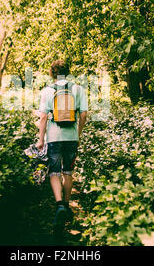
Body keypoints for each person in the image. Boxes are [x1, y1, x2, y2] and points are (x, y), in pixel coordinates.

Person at [35, 59, 88, 227]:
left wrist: (40, 139)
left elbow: (43, 117)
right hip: (71, 137)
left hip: (54, 137)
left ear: (52, 73)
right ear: (68, 71)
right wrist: (77, 134)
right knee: (68, 172)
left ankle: (59, 206)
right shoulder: (78, 89)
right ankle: (66, 204)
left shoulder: (47, 91)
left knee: (54, 172)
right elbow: (84, 115)